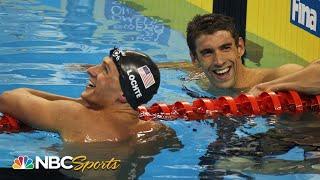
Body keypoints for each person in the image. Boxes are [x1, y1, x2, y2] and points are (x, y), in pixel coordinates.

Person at [0, 48, 163, 143]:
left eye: (105, 70)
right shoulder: (155, 131)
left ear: (123, 96)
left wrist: (79, 103)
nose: (91, 70)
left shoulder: (75, 115)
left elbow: (7, 99)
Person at [186, 13, 320, 96]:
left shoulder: (272, 78)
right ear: (195, 59)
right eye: (207, 53)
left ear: (240, 48)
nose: (219, 61)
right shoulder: (200, 80)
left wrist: (265, 88)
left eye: (225, 48)